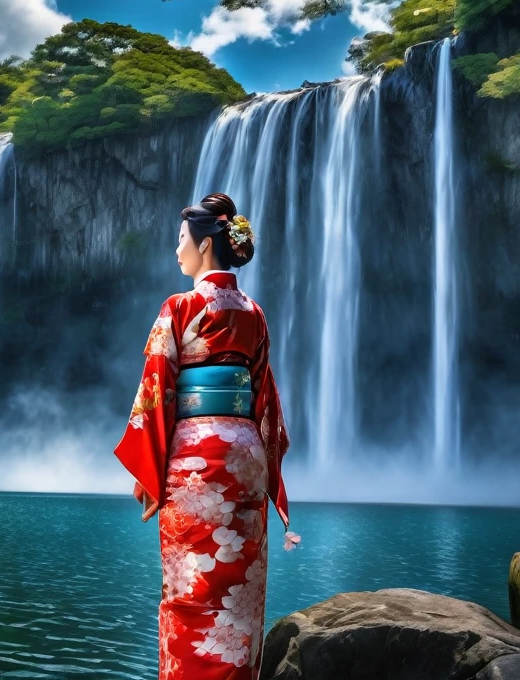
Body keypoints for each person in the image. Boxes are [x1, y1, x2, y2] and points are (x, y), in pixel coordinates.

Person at [114, 192, 296, 680]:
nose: (177, 251)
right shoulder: (254, 314)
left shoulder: (179, 307)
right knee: (241, 592)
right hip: (245, 455)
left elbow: (157, 389)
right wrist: (266, 463)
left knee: (189, 594)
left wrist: (148, 472)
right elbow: (265, 399)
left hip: (194, 458)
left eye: (181, 241)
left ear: (204, 246)